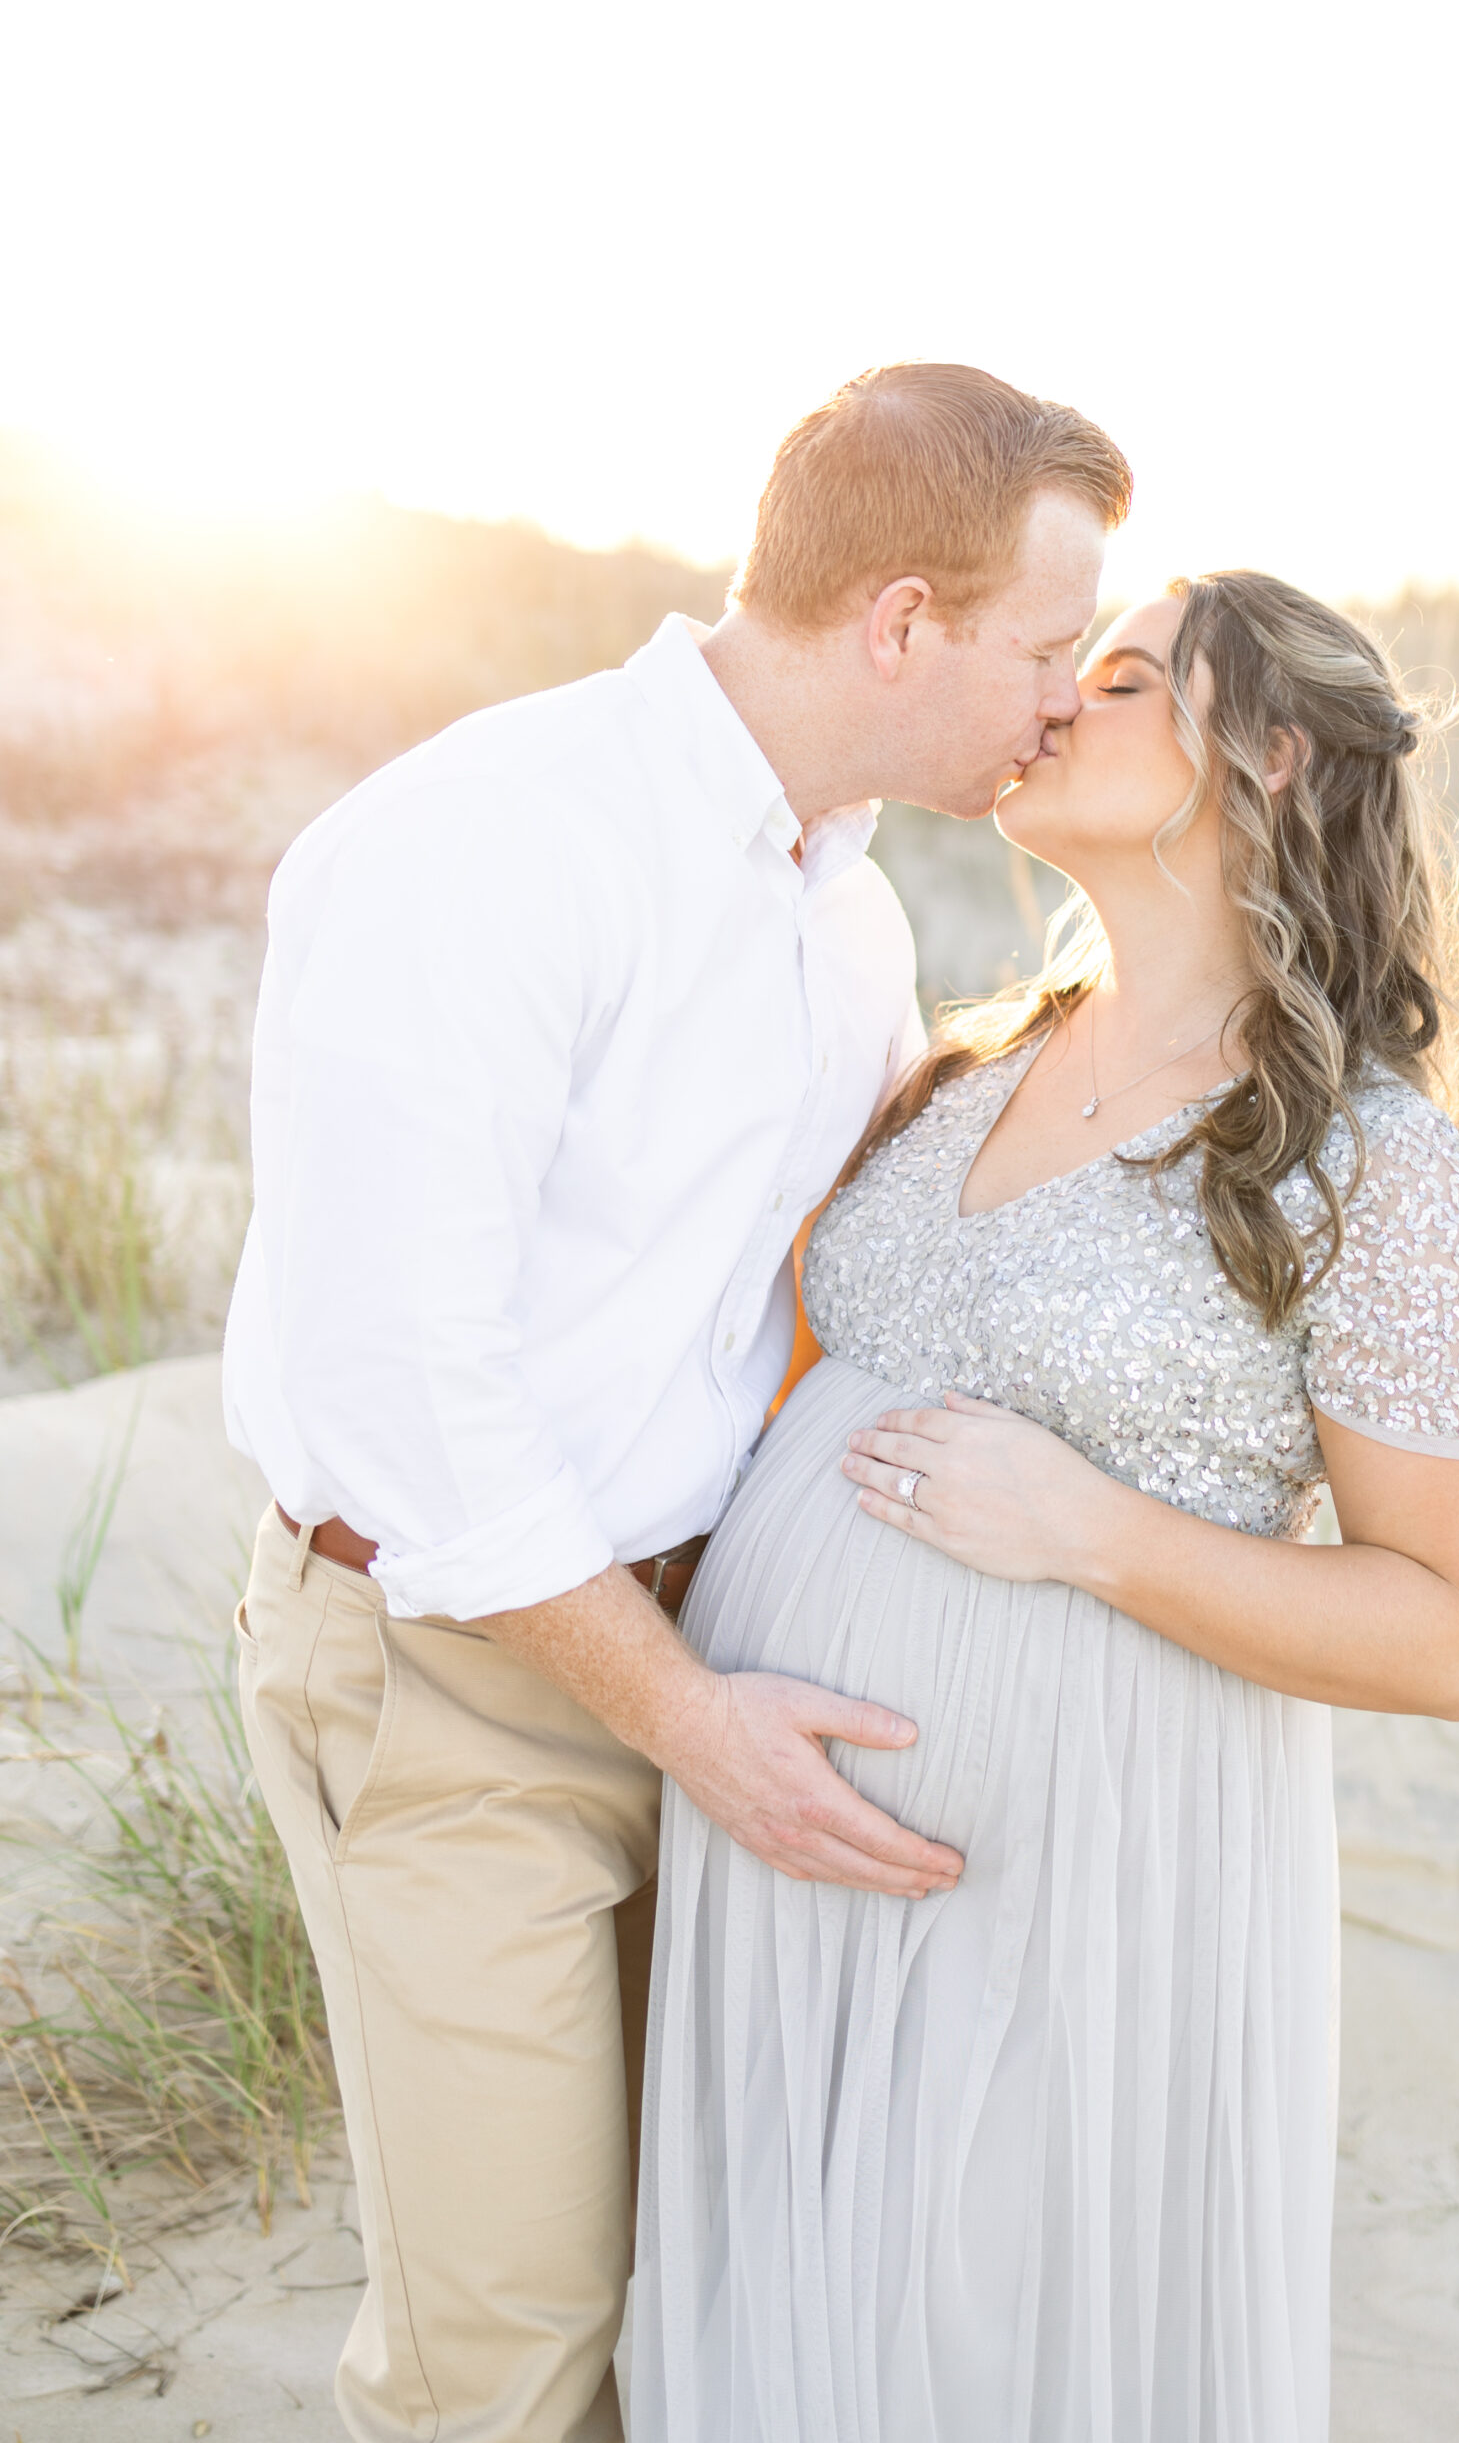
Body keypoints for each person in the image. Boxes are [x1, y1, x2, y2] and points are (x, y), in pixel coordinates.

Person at [224, 362, 1132, 2443]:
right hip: (455, 1685)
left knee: (725, 2298)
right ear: (899, 619)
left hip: (704, 1651)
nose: (1058, 699)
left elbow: (808, 1291)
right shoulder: (484, 843)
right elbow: (411, 1404)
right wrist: (690, 1716)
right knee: (509, 2356)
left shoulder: (849, 904)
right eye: (1037, 645)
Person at [632, 570, 1459, 2442]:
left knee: (980, 2348)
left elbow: (1450, 1633)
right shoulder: (967, 1062)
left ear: (1269, 759)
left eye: (1117, 679)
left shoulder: (1370, 1165)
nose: (1051, 704)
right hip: (778, 1854)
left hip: (1081, 1886)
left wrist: (1095, 1531)